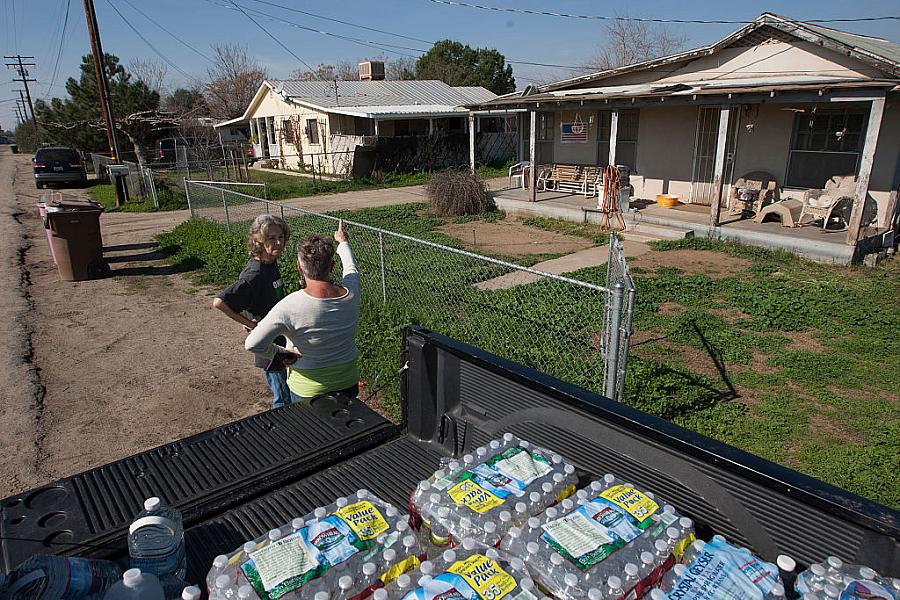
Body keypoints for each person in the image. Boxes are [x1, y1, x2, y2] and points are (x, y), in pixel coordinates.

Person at [244, 219, 360, 403]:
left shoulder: (288, 305)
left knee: (309, 431)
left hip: (307, 390)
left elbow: (252, 344)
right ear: (331, 267)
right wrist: (342, 241)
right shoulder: (351, 292)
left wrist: (282, 353)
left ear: (300, 267)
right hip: (347, 381)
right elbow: (351, 268)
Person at [213, 214, 293, 409]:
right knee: (282, 396)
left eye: (281, 237)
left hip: (279, 337)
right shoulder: (254, 274)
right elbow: (220, 302)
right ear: (259, 241)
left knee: (286, 387)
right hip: (268, 342)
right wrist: (249, 323)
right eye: (271, 238)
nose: (278, 243)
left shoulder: (270, 262)